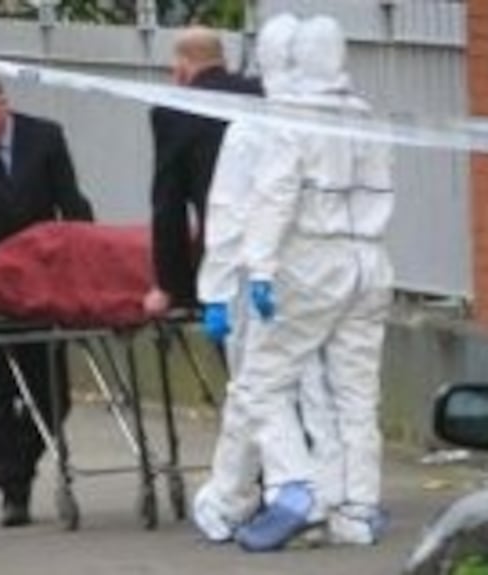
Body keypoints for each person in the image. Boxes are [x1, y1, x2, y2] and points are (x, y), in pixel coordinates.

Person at [232, 15, 394, 551]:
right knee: (355, 393)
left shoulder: (292, 119)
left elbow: (275, 195)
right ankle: (359, 508)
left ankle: (295, 484)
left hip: (310, 261)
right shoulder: (369, 117)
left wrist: (260, 265)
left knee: (262, 380)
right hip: (370, 261)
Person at [192, 13, 343, 544]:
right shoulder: (331, 121)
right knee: (310, 389)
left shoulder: (254, 127)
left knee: (254, 392)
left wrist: (215, 290)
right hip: (314, 275)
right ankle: (328, 494)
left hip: (258, 278)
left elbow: (230, 212)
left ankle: (263, 494)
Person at [0, 70, 94, 527]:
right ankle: (12, 488)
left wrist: (87, 255)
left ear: (2, 107)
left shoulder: (45, 138)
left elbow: (72, 204)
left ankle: (23, 461)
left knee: (52, 392)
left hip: (41, 286)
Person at [144, 26, 262, 314]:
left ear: (182, 65)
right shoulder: (261, 94)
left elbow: (169, 205)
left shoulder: (175, 110)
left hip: (223, 249)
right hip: (279, 241)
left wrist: (170, 285)